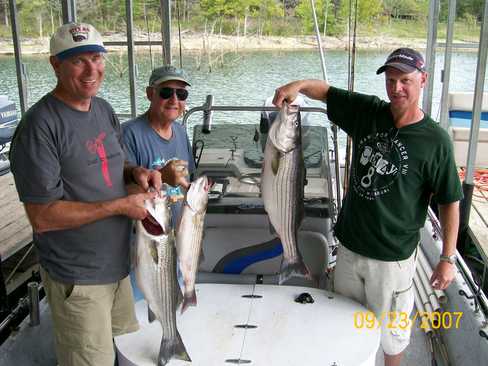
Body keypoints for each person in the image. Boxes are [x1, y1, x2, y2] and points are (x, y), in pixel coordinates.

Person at [273, 48, 463, 366]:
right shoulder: (369, 111)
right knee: (346, 326)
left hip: (393, 259)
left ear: (423, 80)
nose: (396, 88)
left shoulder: (436, 141)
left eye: (405, 80)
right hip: (349, 250)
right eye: (390, 80)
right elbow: (326, 92)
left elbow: (449, 202)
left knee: (392, 337)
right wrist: (298, 86)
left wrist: (447, 258)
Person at [9, 22, 181, 366]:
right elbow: (42, 217)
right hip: (78, 276)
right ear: (55, 64)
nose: (92, 70)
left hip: (115, 267)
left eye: (96, 58)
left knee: (112, 352)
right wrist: (120, 205)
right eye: (77, 61)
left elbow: (116, 163)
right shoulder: (39, 127)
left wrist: (138, 172)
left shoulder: (102, 109)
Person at [123, 65, 195, 221]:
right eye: (166, 92)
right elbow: (125, 192)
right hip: (151, 232)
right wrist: (162, 176)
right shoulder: (128, 134)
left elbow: (188, 180)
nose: (174, 100)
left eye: (181, 94)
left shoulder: (181, 131)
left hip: (181, 228)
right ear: (150, 94)